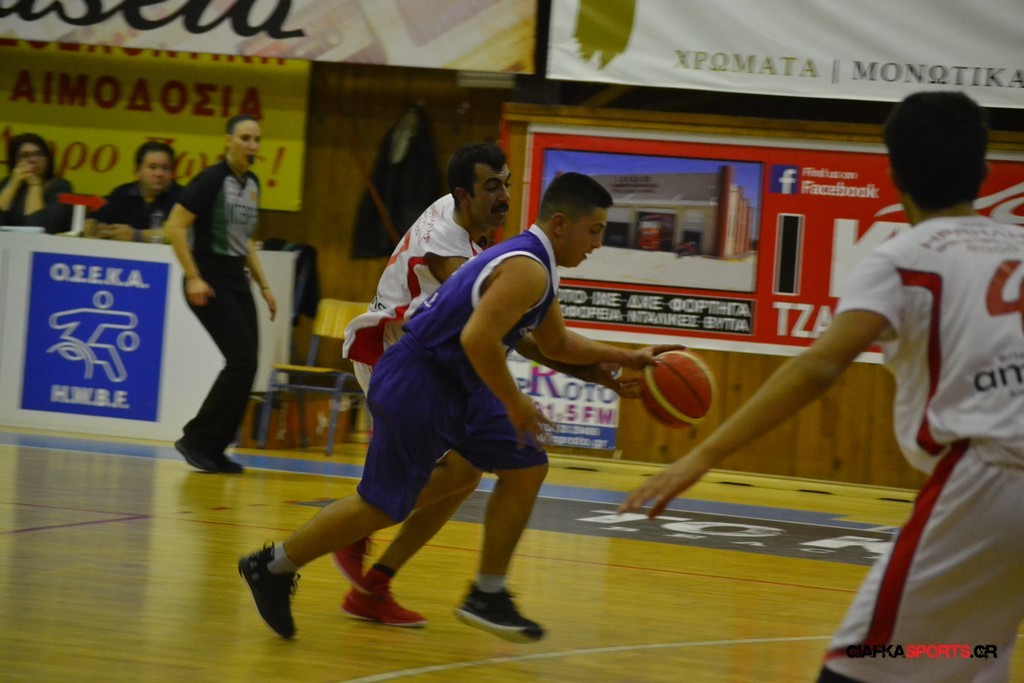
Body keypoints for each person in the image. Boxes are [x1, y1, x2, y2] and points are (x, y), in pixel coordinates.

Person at [620, 91, 1024, 683]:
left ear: (895, 175)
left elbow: (820, 366)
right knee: (970, 660)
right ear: (984, 171)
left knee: (859, 666)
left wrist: (701, 456)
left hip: (987, 484)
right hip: (999, 489)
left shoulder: (905, 256)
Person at [239, 172, 667, 643]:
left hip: (457, 385)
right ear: (562, 224)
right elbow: (477, 338)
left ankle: (487, 593)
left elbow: (556, 343)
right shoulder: (527, 268)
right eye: (595, 230)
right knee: (381, 505)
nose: (598, 243)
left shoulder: (536, 263)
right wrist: (515, 402)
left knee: (525, 465)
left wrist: (624, 358)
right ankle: (272, 565)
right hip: (420, 380)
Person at [333, 143, 650, 631]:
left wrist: (595, 370)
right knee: (441, 478)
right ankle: (357, 529)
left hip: (427, 363)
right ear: (465, 194)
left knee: (466, 473)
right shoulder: (452, 249)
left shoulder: (456, 211)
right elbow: (514, 338)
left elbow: (532, 337)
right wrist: (584, 373)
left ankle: (376, 582)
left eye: (506, 182)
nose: (504, 196)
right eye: (491, 187)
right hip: (400, 361)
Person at [165, 114, 277, 475]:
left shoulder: (252, 183)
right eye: (244, 138)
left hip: (235, 279)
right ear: (228, 141)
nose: (251, 145)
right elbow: (174, 226)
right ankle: (196, 440)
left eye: (256, 139)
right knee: (241, 360)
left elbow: (245, 242)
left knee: (248, 365)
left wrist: (264, 286)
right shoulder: (211, 179)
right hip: (208, 278)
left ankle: (213, 448)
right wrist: (193, 277)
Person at [84, 141, 181, 243]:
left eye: (165, 168)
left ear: (172, 173)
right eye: (152, 167)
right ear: (137, 171)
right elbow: (94, 220)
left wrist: (136, 235)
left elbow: (181, 234)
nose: (159, 174)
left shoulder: (183, 197)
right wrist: (95, 228)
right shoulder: (122, 193)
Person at [0, 132, 73, 233]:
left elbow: (38, 227)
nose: (32, 160)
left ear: (47, 160)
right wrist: (13, 183)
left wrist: (35, 185)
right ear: (15, 161)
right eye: (24, 156)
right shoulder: (6, 183)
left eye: (38, 154)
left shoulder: (60, 187)